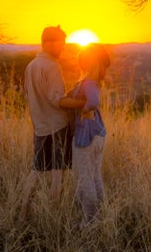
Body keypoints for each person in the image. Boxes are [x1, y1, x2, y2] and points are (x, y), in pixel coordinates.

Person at [19, 26, 86, 221]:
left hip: (40, 127)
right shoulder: (52, 67)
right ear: (48, 42)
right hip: (58, 127)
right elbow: (57, 99)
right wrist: (83, 103)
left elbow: (27, 95)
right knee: (58, 172)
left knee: (37, 170)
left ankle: (24, 213)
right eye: (61, 44)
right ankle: (54, 218)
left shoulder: (31, 66)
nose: (63, 49)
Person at [70, 43, 110, 228]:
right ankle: (102, 216)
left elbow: (93, 102)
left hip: (85, 136)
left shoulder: (89, 83)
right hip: (98, 134)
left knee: (85, 178)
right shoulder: (93, 82)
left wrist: (84, 109)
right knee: (95, 176)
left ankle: (90, 221)